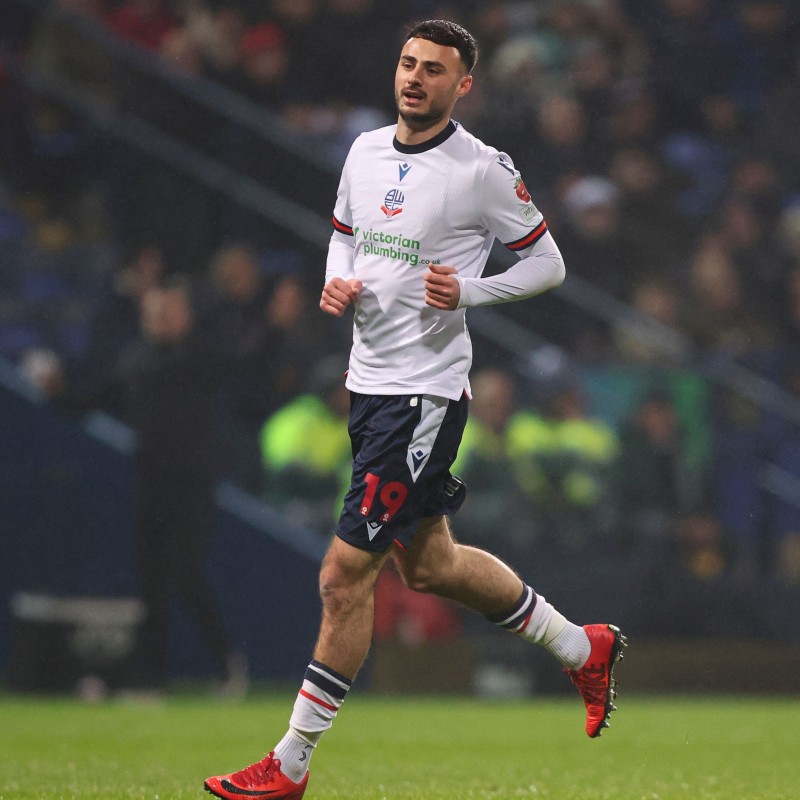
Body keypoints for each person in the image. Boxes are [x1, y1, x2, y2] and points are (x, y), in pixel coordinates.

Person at [204, 20, 627, 800]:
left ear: (463, 85)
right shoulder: (364, 150)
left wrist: (473, 290)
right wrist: (340, 280)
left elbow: (548, 263)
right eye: (407, 63)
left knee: (343, 576)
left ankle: (290, 764)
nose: (415, 78)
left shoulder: (481, 170)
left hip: (423, 395)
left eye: (434, 69)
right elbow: (342, 234)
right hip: (369, 385)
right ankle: (581, 646)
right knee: (430, 566)